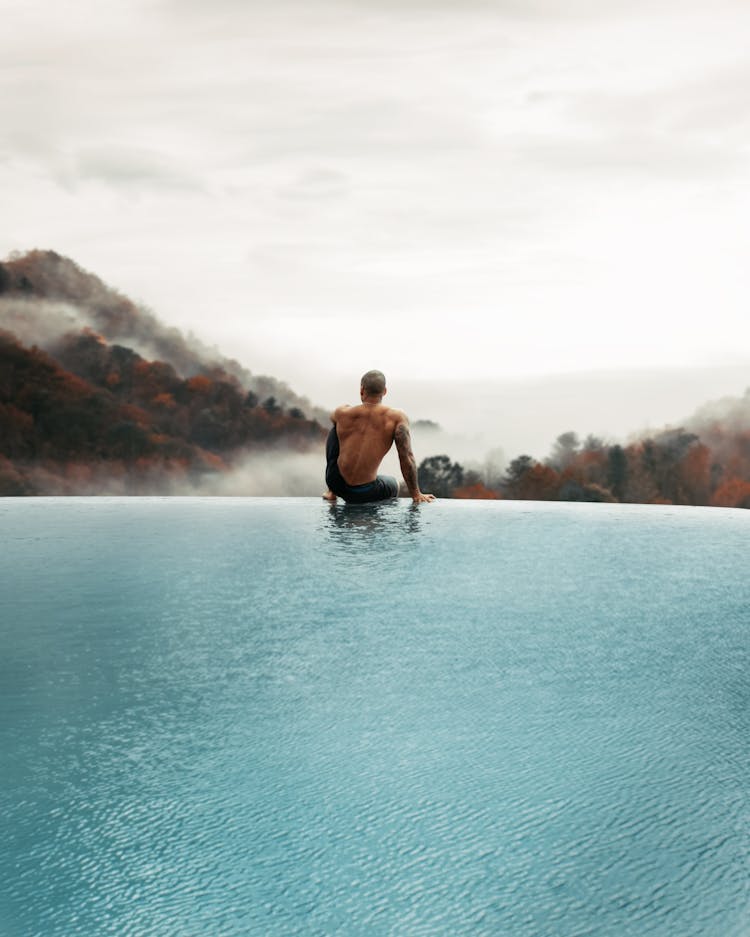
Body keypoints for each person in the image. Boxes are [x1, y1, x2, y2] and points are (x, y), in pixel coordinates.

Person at [323, 370, 435, 505]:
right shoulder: (396, 418)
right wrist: (416, 494)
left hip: (336, 484)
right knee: (394, 484)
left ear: (361, 390)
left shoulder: (342, 412)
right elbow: (406, 456)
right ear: (385, 391)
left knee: (335, 428)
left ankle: (331, 492)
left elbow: (332, 420)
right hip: (365, 493)